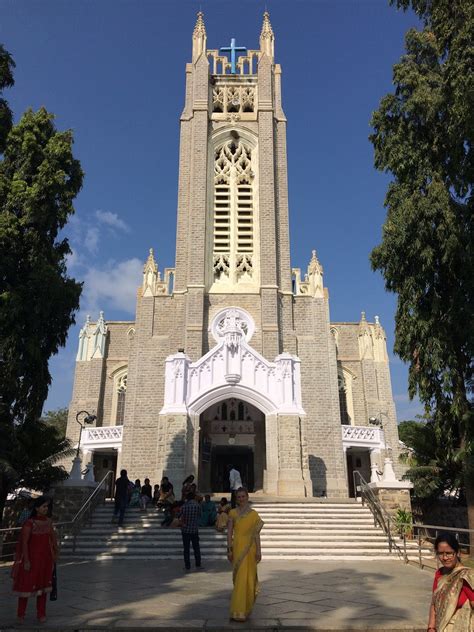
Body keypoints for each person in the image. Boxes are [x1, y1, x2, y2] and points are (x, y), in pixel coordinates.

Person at [12, 497, 58, 623]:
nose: (45, 508)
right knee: (25, 588)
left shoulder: (48, 522)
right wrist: (26, 560)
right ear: (37, 508)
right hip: (31, 560)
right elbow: (24, 544)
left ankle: (41, 614)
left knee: (43, 588)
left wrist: (53, 556)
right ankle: (20, 615)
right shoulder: (29, 523)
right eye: (43, 506)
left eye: (46, 506)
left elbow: (52, 541)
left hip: (45, 560)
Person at [227, 487, 263, 622]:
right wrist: (229, 549)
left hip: (250, 549)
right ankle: (237, 610)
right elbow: (229, 533)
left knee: (248, 578)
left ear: (247, 497)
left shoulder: (254, 515)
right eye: (239, 497)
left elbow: (256, 535)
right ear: (236, 499)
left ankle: (245, 609)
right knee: (240, 578)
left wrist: (259, 550)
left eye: (243, 496)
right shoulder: (232, 513)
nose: (241, 499)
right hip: (238, 547)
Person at [427, 532, 473, 632]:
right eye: (440, 553)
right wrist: (431, 627)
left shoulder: (465, 576)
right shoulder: (439, 574)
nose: (444, 557)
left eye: (449, 553)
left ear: (457, 552)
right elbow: (434, 603)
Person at [179, 491, 202, 571]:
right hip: (194, 529)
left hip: (185, 530)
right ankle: (198, 564)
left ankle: (187, 565)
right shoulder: (197, 506)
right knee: (196, 547)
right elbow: (199, 515)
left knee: (186, 549)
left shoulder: (184, 506)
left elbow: (180, 517)